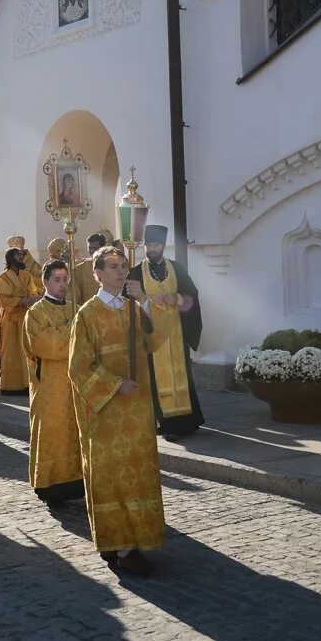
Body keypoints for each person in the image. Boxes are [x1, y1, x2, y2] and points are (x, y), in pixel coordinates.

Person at [69, 244, 177, 576]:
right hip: (107, 413)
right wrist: (115, 385)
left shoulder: (133, 307)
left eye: (122, 266)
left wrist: (145, 302)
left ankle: (134, 541)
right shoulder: (87, 315)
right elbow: (78, 369)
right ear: (97, 273)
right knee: (112, 477)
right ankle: (119, 546)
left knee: (138, 474)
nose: (120, 271)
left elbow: (156, 339)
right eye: (112, 266)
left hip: (138, 410)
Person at [128, 225, 204, 439]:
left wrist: (176, 298)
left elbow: (192, 294)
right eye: (149, 245)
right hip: (152, 334)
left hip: (177, 331)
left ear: (163, 246)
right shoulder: (135, 272)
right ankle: (166, 423)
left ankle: (187, 420)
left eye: (156, 245)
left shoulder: (176, 268)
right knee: (157, 377)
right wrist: (147, 299)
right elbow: (127, 302)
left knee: (181, 373)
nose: (152, 249)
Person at [22, 259, 84, 508]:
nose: (62, 284)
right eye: (57, 280)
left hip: (75, 383)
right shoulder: (36, 313)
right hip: (49, 385)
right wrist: (72, 329)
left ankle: (77, 482)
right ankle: (50, 486)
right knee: (53, 432)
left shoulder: (75, 309)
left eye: (65, 279)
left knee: (74, 432)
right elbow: (44, 345)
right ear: (45, 282)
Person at [0, 246, 40, 394]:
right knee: (11, 350)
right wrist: (20, 301)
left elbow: (33, 291)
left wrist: (32, 299)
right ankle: (11, 386)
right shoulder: (3, 277)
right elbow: (3, 297)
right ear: (10, 258)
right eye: (18, 255)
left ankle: (27, 383)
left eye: (21, 255)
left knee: (26, 348)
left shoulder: (26, 275)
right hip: (11, 318)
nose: (21, 257)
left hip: (25, 316)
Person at [73, 233, 106, 308]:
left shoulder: (114, 266)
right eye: (89, 248)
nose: (91, 251)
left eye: (95, 248)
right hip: (88, 312)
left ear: (104, 247)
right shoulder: (81, 268)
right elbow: (74, 295)